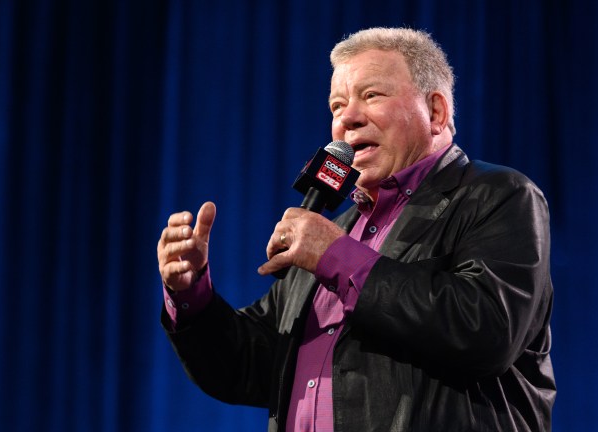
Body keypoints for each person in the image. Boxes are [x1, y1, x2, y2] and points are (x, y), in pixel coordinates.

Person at [157, 27, 555, 431]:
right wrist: (192, 295)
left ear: (435, 112)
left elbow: (485, 330)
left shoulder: (496, 196)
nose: (347, 117)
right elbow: (247, 367)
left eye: (372, 95)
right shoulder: (334, 231)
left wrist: (335, 256)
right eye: (337, 105)